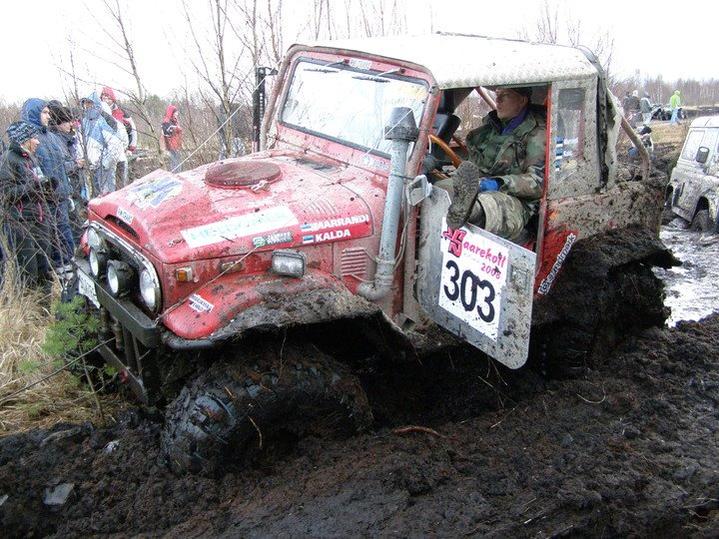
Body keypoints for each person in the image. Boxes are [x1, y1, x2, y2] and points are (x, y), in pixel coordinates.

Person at [444, 86, 546, 242]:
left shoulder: (538, 134)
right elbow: (478, 165)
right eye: (497, 95)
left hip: (520, 201)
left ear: (522, 100)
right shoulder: (491, 128)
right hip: (481, 185)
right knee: (442, 188)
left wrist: (497, 183)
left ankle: (468, 210)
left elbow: (538, 183)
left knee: (487, 205)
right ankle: (463, 207)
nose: (497, 101)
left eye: (505, 95)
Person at [21, 98, 75, 270]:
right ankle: (57, 271)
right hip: (44, 199)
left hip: (61, 195)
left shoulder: (52, 137)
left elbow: (63, 164)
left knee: (65, 234)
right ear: (33, 114)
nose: (48, 116)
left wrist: (68, 190)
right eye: (44, 113)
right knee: (50, 238)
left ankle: (68, 268)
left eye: (48, 113)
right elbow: (29, 170)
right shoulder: (29, 140)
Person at [0, 121, 54, 290]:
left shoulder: (31, 158)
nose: (37, 141)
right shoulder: (8, 160)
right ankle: (29, 303)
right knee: (28, 269)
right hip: (21, 222)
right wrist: (32, 187)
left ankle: (45, 303)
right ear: (24, 139)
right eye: (33, 138)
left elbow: (37, 184)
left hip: (39, 219)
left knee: (44, 266)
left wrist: (48, 186)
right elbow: (6, 194)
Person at [48, 102, 86, 241]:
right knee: (74, 222)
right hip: (68, 187)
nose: (71, 124)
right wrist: (76, 164)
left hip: (76, 185)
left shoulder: (69, 138)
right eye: (67, 121)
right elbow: (59, 165)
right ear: (58, 123)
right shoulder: (56, 140)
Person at [81, 92, 126, 195]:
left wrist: (105, 163)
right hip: (92, 167)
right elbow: (81, 143)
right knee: (97, 196)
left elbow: (115, 145)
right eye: (85, 103)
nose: (87, 106)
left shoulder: (104, 120)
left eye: (89, 103)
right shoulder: (84, 122)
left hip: (105, 166)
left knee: (109, 194)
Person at [101, 86, 137, 187]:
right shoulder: (98, 113)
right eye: (103, 96)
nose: (105, 98)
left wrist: (130, 148)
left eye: (107, 96)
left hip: (121, 151)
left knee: (121, 181)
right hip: (104, 154)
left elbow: (133, 131)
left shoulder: (122, 113)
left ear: (112, 98)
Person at [162, 104, 183, 172]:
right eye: (175, 112)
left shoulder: (175, 121)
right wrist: (176, 129)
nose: (177, 114)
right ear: (172, 112)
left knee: (178, 160)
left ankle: (178, 173)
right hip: (171, 144)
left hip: (176, 144)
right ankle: (175, 174)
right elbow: (167, 132)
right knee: (174, 160)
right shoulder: (166, 121)